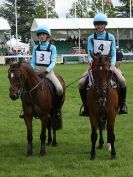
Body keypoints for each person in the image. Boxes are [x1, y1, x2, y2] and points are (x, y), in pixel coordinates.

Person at [78, 12, 128, 116]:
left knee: (122, 81)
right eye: (98, 24)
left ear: (105, 25)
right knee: (81, 83)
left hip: (108, 65)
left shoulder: (111, 37)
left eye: (102, 24)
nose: (100, 26)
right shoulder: (91, 37)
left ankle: (122, 104)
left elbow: (113, 53)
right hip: (95, 65)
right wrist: (91, 62)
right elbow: (90, 52)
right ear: (95, 26)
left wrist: (113, 64)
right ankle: (86, 107)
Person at [20, 25, 63, 119]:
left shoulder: (52, 47)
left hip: (48, 71)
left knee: (59, 89)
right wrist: (32, 70)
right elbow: (33, 61)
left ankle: (56, 109)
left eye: (43, 34)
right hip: (36, 70)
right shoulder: (36, 47)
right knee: (24, 87)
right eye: (40, 35)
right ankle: (24, 109)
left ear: (47, 36)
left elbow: (53, 61)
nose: (41, 36)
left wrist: (46, 71)